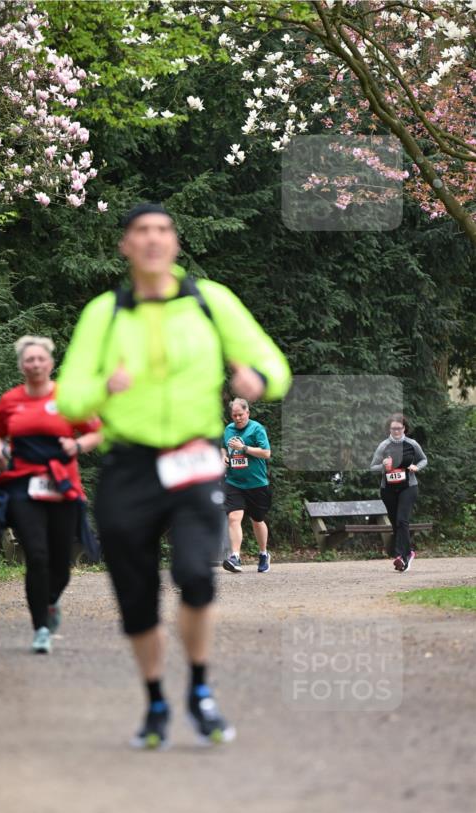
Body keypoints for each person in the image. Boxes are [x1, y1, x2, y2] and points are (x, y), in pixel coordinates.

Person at [56, 203, 291, 748]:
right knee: (135, 595)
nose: (153, 240)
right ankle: (157, 700)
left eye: (163, 230)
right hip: (128, 466)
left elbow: (273, 365)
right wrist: (102, 389)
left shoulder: (212, 303)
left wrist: (257, 379)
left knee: (198, 573)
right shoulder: (105, 313)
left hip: (193, 461)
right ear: (126, 247)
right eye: (141, 232)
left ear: (176, 244)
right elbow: (69, 398)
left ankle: (201, 693)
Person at [0, 335, 101, 653]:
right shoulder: (10, 400)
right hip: (23, 484)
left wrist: (77, 445)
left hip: (62, 485)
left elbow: (96, 432)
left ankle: (50, 602)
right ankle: (40, 629)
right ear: (22, 365)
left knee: (61, 563)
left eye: (40, 359)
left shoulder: (68, 398)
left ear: (50, 363)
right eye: (29, 360)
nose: (35, 364)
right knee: (36, 556)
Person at [370, 413, 428, 572]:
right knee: (396, 522)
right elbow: (372, 467)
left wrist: (417, 467)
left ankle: (400, 556)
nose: (396, 431)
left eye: (399, 428)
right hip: (388, 489)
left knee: (402, 520)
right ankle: (407, 553)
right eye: (393, 428)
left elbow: (424, 459)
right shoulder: (383, 446)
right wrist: (383, 466)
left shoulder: (412, 444)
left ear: (404, 428)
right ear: (389, 429)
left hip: (408, 487)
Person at [221, 399, 272, 573]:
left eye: (240, 415)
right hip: (234, 482)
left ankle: (264, 553)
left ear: (247, 413)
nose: (237, 418)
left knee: (257, 520)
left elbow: (266, 453)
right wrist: (224, 457)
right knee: (234, 517)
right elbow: (223, 448)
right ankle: (235, 557)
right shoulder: (228, 430)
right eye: (234, 415)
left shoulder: (256, 429)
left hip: (256, 483)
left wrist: (244, 448)